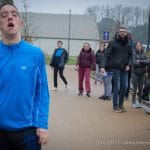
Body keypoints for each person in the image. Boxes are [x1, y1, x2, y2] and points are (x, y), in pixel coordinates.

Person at [0, 3, 50, 150]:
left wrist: (42, 125)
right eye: (4, 15)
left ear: (20, 23)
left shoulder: (35, 54)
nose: (10, 17)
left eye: (14, 14)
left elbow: (42, 92)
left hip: (28, 129)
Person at [101, 27, 132, 112]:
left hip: (125, 68)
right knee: (117, 87)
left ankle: (121, 105)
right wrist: (102, 66)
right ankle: (115, 105)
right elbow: (106, 55)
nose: (122, 33)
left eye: (124, 32)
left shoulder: (128, 43)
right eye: (121, 31)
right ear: (118, 32)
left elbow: (131, 56)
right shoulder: (113, 42)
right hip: (115, 67)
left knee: (125, 86)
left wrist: (129, 64)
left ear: (126, 33)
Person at [131, 42, 149, 108]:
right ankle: (133, 102)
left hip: (142, 73)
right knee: (134, 89)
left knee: (141, 88)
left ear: (141, 46)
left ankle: (139, 102)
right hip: (135, 73)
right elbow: (134, 63)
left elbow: (148, 62)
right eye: (137, 45)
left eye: (139, 45)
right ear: (135, 47)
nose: (138, 46)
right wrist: (143, 63)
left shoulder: (144, 54)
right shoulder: (133, 54)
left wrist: (140, 61)